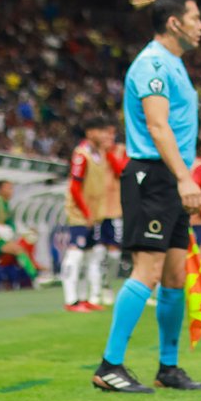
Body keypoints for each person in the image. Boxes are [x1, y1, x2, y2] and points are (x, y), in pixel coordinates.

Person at [92, 0, 201, 394]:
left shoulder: (173, 64)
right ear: (174, 22)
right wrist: (184, 177)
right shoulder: (153, 63)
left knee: (175, 274)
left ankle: (168, 367)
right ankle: (110, 365)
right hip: (153, 177)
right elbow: (158, 127)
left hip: (170, 179)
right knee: (148, 270)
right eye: (195, 17)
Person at [61, 118, 127, 313]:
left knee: (92, 256)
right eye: (101, 131)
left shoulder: (101, 154)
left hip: (95, 214)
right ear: (90, 133)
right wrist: (85, 211)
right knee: (75, 254)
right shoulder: (81, 155)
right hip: (81, 214)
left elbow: (120, 170)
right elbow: (74, 187)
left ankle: (85, 298)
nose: (106, 136)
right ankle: (71, 300)